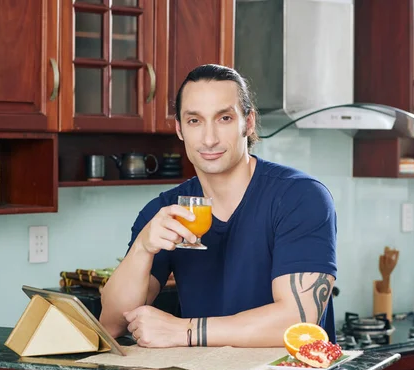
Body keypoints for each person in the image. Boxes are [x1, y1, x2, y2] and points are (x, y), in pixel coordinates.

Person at [99, 64, 337, 348]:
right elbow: (112, 324)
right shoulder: (165, 210)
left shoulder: (300, 197)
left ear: (248, 123)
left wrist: (184, 331)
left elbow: (298, 321)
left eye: (224, 118)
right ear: (179, 129)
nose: (209, 139)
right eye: (194, 121)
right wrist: (142, 248)